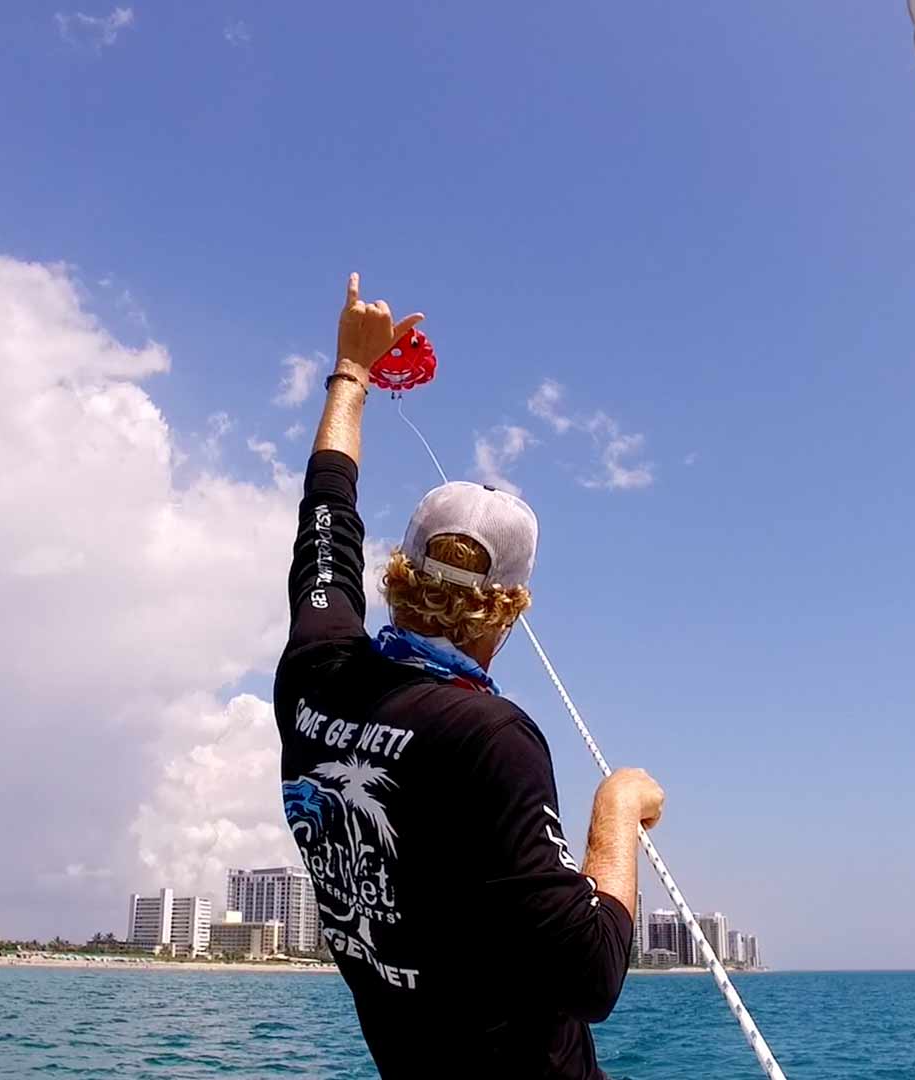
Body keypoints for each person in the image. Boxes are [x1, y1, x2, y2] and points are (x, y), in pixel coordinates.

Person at [276, 273, 666, 1078]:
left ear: (396, 572)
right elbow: (591, 975)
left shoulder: (314, 668)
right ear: (513, 606)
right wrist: (618, 806)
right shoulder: (490, 739)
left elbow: (326, 509)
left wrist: (351, 369)